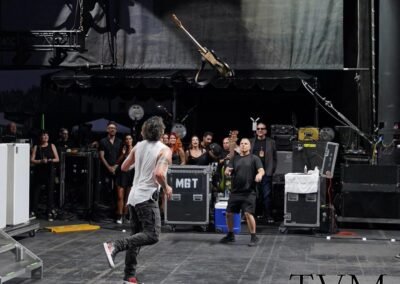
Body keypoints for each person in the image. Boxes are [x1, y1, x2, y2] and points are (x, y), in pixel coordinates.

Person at [103, 116, 173, 284]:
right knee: (152, 234)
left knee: (136, 237)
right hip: (146, 198)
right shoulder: (165, 150)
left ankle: (129, 276)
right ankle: (115, 245)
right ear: (161, 131)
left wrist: (140, 163)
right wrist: (166, 187)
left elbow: (124, 167)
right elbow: (159, 174)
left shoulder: (138, 146)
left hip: (133, 198)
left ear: (144, 131)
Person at [220, 138, 264, 247]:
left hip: (249, 192)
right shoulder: (235, 159)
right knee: (229, 213)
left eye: (246, 143)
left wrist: (259, 175)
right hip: (236, 192)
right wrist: (227, 172)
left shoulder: (254, 158)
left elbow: (261, 170)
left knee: (248, 214)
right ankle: (230, 235)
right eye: (242, 144)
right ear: (239, 146)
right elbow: (228, 170)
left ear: (249, 146)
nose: (243, 145)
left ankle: (254, 236)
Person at [250, 122, 277, 223]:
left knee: (267, 195)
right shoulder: (251, 141)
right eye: (258, 129)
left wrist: (272, 170)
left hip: (266, 172)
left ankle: (268, 215)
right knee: (254, 194)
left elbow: (275, 158)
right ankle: (255, 214)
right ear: (256, 130)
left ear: (265, 130)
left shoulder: (271, 142)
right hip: (253, 172)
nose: (260, 130)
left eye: (262, 128)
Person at [30, 130, 60, 221]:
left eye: (47, 135)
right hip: (39, 171)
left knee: (50, 191)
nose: (46, 137)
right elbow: (32, 160)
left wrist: (49, 160)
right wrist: (40, 161)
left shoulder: (52, 145)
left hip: (50, 171)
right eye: (43, 135)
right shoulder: (36, 146)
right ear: (40, 137)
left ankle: (49, 212)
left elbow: (57, 159)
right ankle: (33, 211)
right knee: (36, 191)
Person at [98, 121, 123, 208]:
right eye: (111, 128)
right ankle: (106, 208)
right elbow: (101, 156)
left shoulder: (120, 141)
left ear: (116, 130)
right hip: (105, 169)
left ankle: (115, 209)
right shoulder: (103, 141)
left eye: (114, 128)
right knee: (106, 189)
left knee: (117, 190)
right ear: (107, 129)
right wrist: (109, 168)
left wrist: (115, 166)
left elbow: (121, 155)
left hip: (117, 169)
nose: (112, 130)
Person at [115, 134, 135, 224]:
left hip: (131, 174)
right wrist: (123, 154)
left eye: (129, 139)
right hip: (121, 174)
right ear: (125, 141)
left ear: (132, 140)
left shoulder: (135, 149)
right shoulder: (121, 149)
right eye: (126, 139)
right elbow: (117, 162)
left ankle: (125, 215)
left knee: (128, 197)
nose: (128, 140)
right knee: (120, 196)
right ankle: (119, 216)